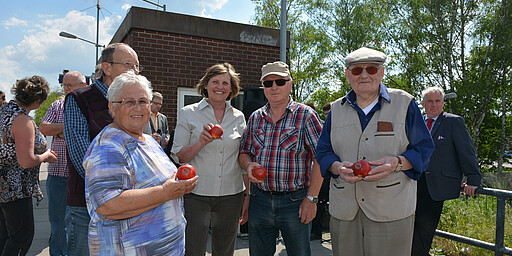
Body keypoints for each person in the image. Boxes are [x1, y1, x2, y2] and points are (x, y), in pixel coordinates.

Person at [315, 47, 435, 256]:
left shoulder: (405, 103)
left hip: (391, 210)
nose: (364, 75)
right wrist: (337, 166)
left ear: (381, 73)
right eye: (356, 70)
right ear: (347, 75)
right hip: (345, 211)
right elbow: (323, 152)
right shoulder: (336, 110)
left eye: (371, 69)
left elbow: (424, 148)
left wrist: (397, 163)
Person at [83, 71, 197, 255]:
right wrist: (165, 192)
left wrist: (178, 187)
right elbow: (107, 205)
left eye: (143, 101)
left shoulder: (148, 140)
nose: (138, 107)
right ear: (112, 107)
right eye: (129, 102)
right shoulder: (109, 146)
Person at [239, 61, 323, 256]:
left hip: (295, 201)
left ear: (290, 83)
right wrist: (249, 164)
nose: (274, 87)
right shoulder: (255, 117)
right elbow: (244, 152)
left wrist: (311, 199)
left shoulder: (306, 115)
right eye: (268, 83)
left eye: (279, 81)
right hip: (260, 200)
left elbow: (321, 157)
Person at [63, 42, 141, 256]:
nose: (134, 71)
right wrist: (112, 195)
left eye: (137, 66)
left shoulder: (134, 102)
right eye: (128, 65)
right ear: (107, 68)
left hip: (128, 203)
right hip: (86, 207)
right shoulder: (79, 99)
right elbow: (82, 156)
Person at [171, 63, 247, 256]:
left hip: (231, 194)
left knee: (225, 250)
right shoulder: (189, 113)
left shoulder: (239, 117)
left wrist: (247, 196)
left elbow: (243, 158)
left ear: (231, 88)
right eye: (215, 82)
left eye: (225, 83)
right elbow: (179, 156)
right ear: (206, 85)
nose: (219, 87)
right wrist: (201, 142)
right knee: (193, 249)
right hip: (196, 194)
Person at [411, 87, 481, 256]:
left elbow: (466, 151)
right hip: (413, 183)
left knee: (424, 227)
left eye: (437, 101)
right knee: (407, 225)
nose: (433, 105)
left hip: (437, 185)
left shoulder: (453, 122)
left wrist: (473, 178)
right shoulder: (416, 122)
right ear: (423, 103)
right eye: (429, 101)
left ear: (443, 103)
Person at [0, 75, 57, 255]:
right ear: (37, 101)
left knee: (4, 234)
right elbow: (26, 161)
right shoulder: (22, 120)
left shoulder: (3, 112)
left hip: (3, 184)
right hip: (14, 187)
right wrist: (45, 156)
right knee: (21, 236)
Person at [39, 71, 86, 256]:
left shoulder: (87, 107)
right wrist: (70, 128)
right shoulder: (58, 105)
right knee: (57, 222)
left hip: (80, 175)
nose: (66, 89)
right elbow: (44, 127)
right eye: (65, 85)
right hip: (58, 174)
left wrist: (59, 131)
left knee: (77, 223)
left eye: (70, 85)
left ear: (83, 86)